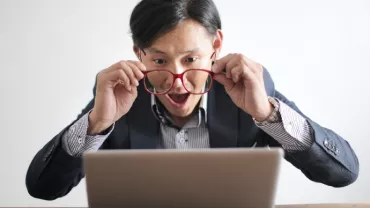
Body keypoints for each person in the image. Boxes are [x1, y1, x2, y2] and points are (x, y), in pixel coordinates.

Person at [26, 0, 359, 201]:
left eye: (190, 59)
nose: (176, 78)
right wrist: (97, 124)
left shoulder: (246, 90)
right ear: (138, 55)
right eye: (158, 61)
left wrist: (266, 113)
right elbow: (43, 188)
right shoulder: (119, 95)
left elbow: (343, 173)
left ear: (216, 47)